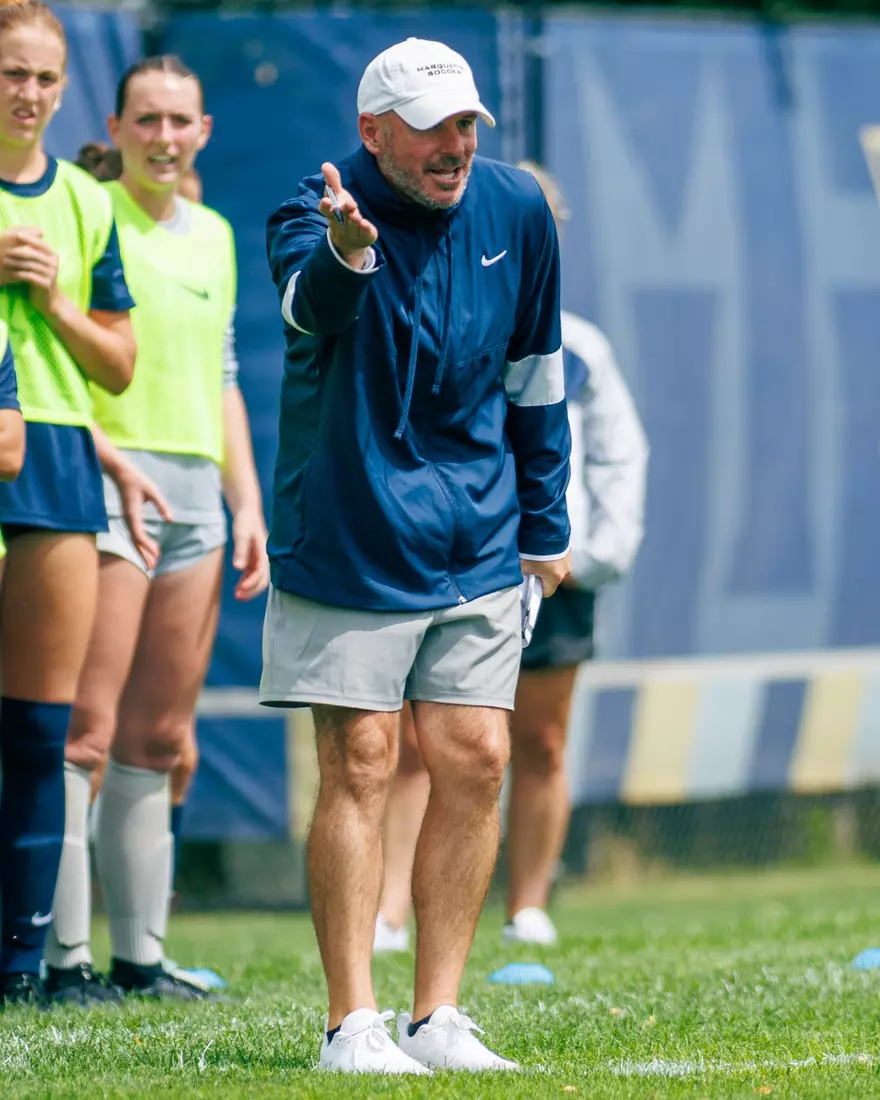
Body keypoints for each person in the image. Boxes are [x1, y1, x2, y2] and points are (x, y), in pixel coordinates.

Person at [264, 37, 571, 1073]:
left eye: (468, 123)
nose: (456, 144)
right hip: (349, 529)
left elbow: (535, 370)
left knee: (478, 755)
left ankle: (436, 1014)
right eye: (434, 126)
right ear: (372, 132)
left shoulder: (517, 209)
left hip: (477, 530)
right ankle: (353, 1022)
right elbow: (308, 312)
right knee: (360, 761)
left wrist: (546, 519)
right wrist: (347, 249)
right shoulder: (313, 204)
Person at [373, 162, 648, 953]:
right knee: (423, 745)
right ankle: (391, 911)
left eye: (545, 215)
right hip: (448, 565)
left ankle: (528, 907)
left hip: (550, 573)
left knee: (539, 743)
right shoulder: (440, 312)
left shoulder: (582, 345)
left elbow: (618, 454)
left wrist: (588, 551)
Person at [44, 55, 269, 1005]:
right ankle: (59, 961)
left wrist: (244, 499)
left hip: (196, 505)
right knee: (85, 734)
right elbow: (42, 353)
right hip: (106, 490)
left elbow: (221, 377)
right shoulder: (89, 216)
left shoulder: (217, 233)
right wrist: (102, 457)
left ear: (204, 130)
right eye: (148, 121)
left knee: (162, 737)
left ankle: (139, 959)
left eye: (181, 120)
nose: (165, 138)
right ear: (119, 125)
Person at [0, 0, 138, 1007]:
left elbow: (119, 364)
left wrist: (52, 302)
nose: (30, 94)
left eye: (45, 78)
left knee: (41, 727)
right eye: (12, 73)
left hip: (52, 454)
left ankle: (23, 961)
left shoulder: (89, 204)